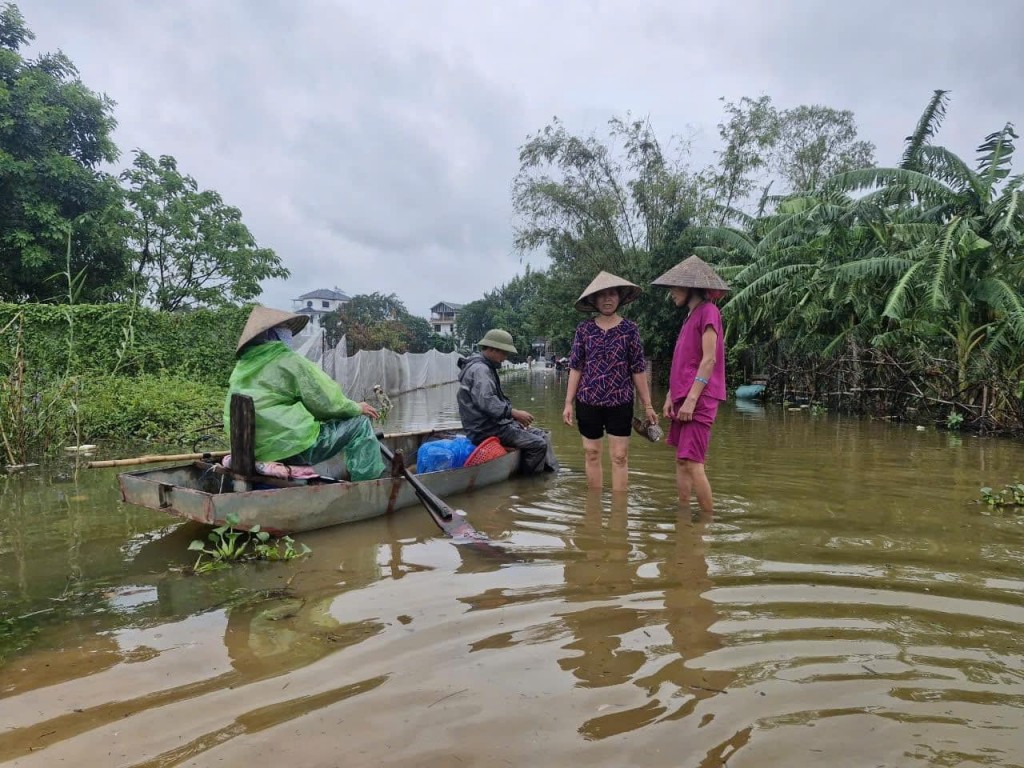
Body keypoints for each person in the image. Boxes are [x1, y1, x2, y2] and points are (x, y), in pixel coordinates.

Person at [223, 306, 386, 481]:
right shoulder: (289, 361)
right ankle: (367, 483)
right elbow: (326, 403)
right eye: (283, 330)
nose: (288, 335)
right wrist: (356, 407)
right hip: (293, 450)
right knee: (360, 424)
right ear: (273, 335)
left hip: (249, 449)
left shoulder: (242, 367)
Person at [562, 271, 657, 492]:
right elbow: (576, 367)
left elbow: (638, 369)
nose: (607, 299)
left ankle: (619, 514)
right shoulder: (584, 330)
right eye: (602, 295)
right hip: (588, 401)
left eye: (612, 294)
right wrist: (568, 402)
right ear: (594, 300)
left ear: (620, 297)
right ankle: (593, 509)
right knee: (592, 453)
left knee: (620, 456)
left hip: (620, 401)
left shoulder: (630, 329)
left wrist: (648, 405)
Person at [651, 255, 729, 515]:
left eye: (676, 287)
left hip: (701, 398)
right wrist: (671, 396)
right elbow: (685, 363)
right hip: (684, 397)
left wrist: (693, 398)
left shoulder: (709, 312)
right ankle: (684, 517)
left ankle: (707, 522)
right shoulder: (688, 317)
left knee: (694, 462)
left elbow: (709, 360)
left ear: (690, 287)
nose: (672, 293)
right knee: (682, 461)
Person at [457, 329, 559, 474]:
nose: (505, 358)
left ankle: (552, 473)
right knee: (538, 444)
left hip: (495, 425)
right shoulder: (480, 370)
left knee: (541, 434)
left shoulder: (484, 367)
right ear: (492, 349)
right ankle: (529, 484)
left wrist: (511, 418)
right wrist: (513, 413)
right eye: (504, 353)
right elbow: (487, 402)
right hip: (485, 430)